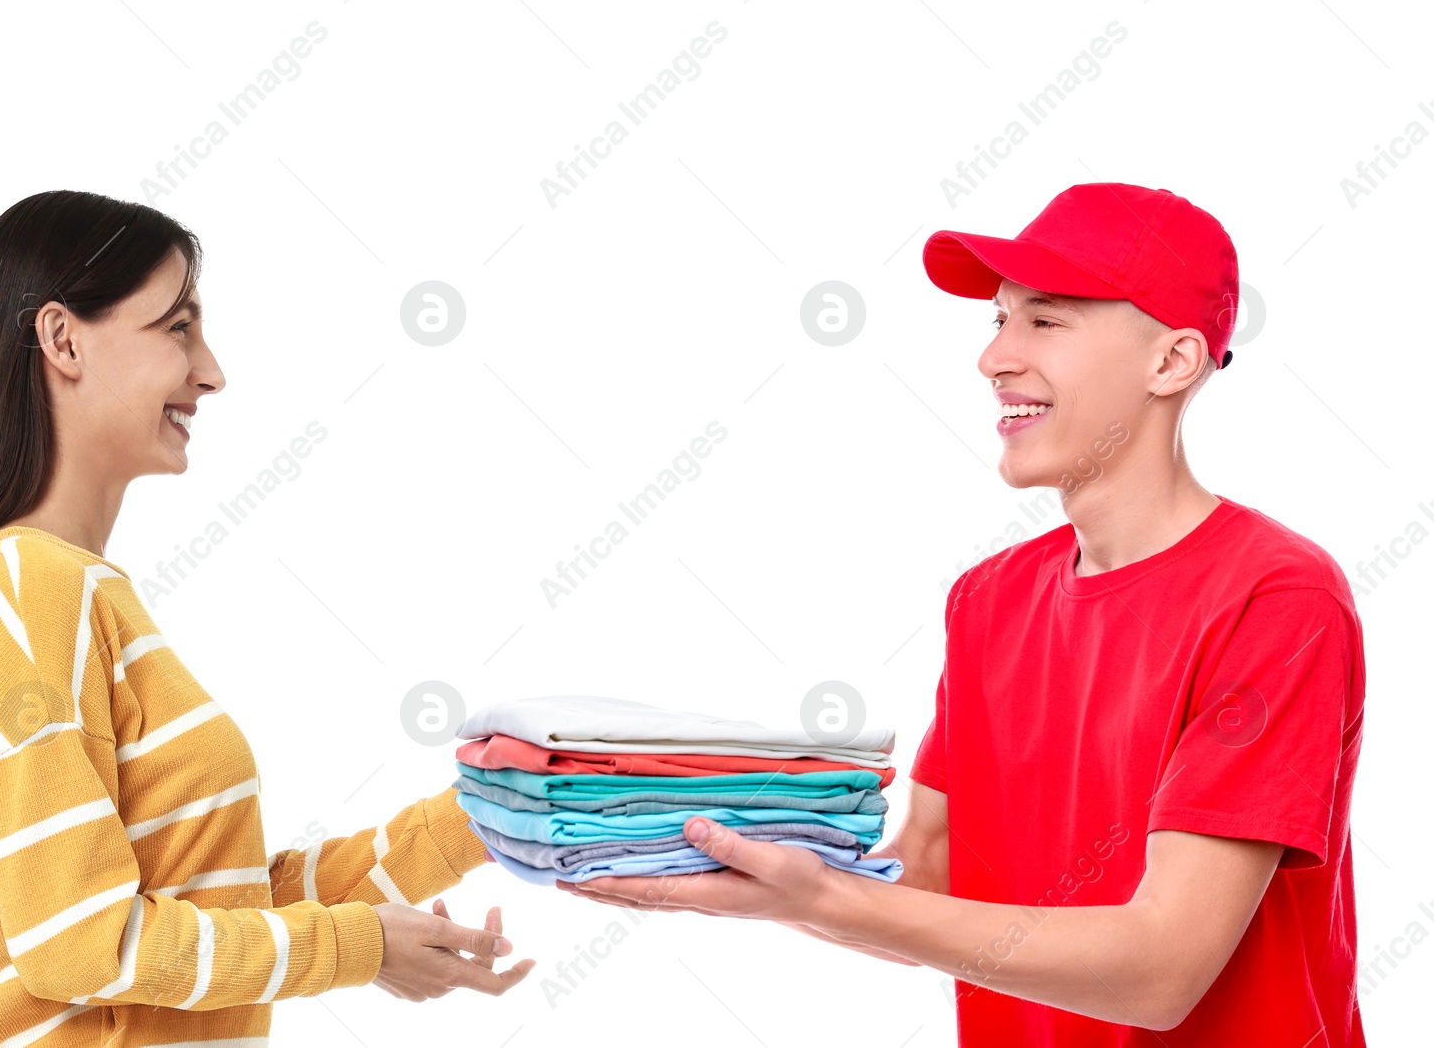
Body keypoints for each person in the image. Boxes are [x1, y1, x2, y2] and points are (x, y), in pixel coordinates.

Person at [560, 183, 1367, 1045]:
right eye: (998, 321)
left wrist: (828, 896)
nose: (996, 359)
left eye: (1046, 322)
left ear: (1171, 361)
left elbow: (1164, 967)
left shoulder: (1277, 599)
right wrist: (717, 857)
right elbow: (934, 876)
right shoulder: (989, 599)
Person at [0, 189, 533, 1046]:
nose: (211, 370)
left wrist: (482, 816)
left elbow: (223, 905)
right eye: (177, 327)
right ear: (62, 338)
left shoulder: (74, 593)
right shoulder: (20, 586)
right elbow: (81, 944)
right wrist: (357, 947)